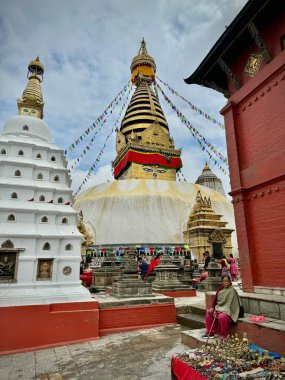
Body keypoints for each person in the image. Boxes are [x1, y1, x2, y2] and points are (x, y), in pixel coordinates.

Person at [202, 274, 241, 340]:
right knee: (209, 313)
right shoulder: (220, 289)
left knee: (222, 317)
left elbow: (232, 305)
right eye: (224, 281)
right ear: (222, 282)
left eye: (227, 281)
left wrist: (223, 310)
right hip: (220, 308)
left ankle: (223, 336)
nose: (226, 283)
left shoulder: (232, 290)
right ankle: (210, 333)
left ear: (230, 281)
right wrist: (212, 308)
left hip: (228, 311)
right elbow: (215, 299)